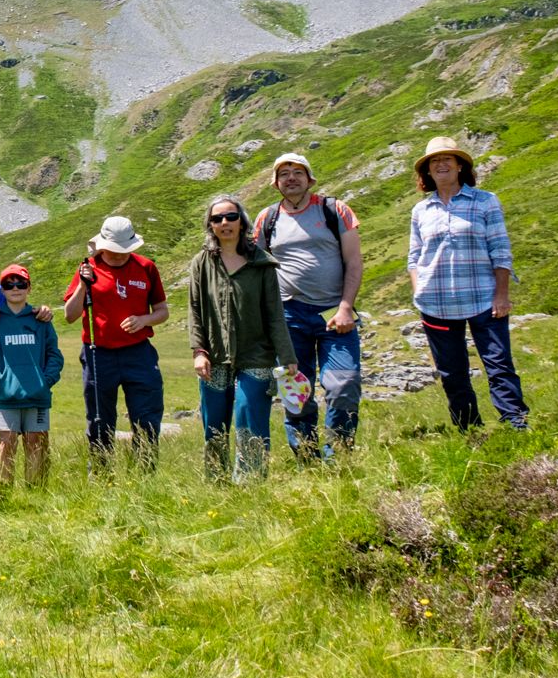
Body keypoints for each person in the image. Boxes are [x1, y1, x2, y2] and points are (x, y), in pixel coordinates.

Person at [408, 136, 529, 431]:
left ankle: (516, 424)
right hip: (436, 304)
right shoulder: (421, 211)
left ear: (460, 165)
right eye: (434, 161)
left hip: (484, 300)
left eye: (447, 159)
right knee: (452, 372)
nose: (441, 164)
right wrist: (418, 290)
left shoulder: (485, 201)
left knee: (499, 364)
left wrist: (502, 295)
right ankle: (469, 430)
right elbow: (414, 257)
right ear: (427, 171)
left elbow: (500, 249)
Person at [253, 154, 364, 458]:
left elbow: (354, 261)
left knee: (344, 383)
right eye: (284, 174)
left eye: (298, 172)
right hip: (288, 315)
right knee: (295, 389)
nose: (291, 178)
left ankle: (338, 454)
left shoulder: (334, 210)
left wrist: (346, 307)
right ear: (276, 183)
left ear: (310, 178)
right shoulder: (267, 218)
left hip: (333, 312)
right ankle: (306, 456)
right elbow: (256, 267)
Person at [187, 198, 297, 479]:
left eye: (231, 216)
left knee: (250, 414)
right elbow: (195, 310)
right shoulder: (201, 262)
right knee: (214, 421)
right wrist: (199, 351)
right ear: (210, 225)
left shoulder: (261, 262)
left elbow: (275, 313)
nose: (224, 223)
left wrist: (287, 357)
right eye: (217, 219)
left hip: (256, 353)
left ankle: (250, 483)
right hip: (214, 353)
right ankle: (216, 479)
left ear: (242, 221)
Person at [62, 216, 169, 471]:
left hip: (139, 354)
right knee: (100, 420)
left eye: (125, 251)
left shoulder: (146, 268)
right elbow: (69, 315)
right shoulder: (88, 268)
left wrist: (144, 320)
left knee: (146, 417)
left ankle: (144, 475)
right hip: (98, 354)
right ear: (102, 246)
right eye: (114, 251)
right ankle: (101, 475)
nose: (120, 256)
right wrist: (83, 286)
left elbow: (163, 311)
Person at [0, 264, 65, 485]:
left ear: (29, 288)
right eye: (9, 284)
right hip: (6, 398)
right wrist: (0, 382)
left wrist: (45, 381)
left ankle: (36, 494)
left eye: (21, 284)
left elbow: (55, 355)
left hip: (38, 396)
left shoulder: (40, 320)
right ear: (2, 290)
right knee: (7, 444)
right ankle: (5, 495)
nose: (15, 288)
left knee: (37, 443)